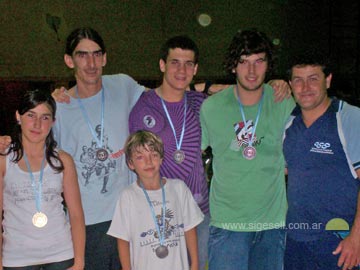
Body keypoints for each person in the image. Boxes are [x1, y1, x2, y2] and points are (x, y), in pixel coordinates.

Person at [200, 29, 295, 270]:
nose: (251, 71)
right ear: (233, 66)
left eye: (259, 61)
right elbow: (193, 156)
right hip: (228, 226)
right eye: (243, 62)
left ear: (268, 65)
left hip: (272, 225)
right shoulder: (212, 108)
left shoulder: (283, 102)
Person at [128, 35, 210, 269]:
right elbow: (138, 163)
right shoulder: (143, 106)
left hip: (199, 213)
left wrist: (277, 84)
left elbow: (239, 99)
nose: (181, 70)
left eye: (188, 64)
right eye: (175, 62)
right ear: (162, 65)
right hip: (160, 217)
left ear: (195, 69)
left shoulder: (202, 104)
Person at [283, 50, 360, 270]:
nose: (305, 87)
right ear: (290, 85)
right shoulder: (289, 124)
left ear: (328, 80)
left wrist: (356, 238)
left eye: (313, 79)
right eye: (298, 80)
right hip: (297, 241)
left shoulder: (349, 118)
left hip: (340, 240)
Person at [0, 89, 85, 269]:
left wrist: (79, 261)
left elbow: (76, 214)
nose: (37, 124)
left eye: (45, 117)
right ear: (18, 116)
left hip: (60, 255)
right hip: (17, 258)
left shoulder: (63, 160)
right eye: (31, 115)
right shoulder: (3, 160)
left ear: (53, 122)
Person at [107, 130, 204, 270]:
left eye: (154, 155)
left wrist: (194, 264)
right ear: (130, 164)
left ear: (161, 158)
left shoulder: (179, 188)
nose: (149, 161)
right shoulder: (127, 196)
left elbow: (190, 228)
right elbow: (122, 239)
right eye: (140, 157)